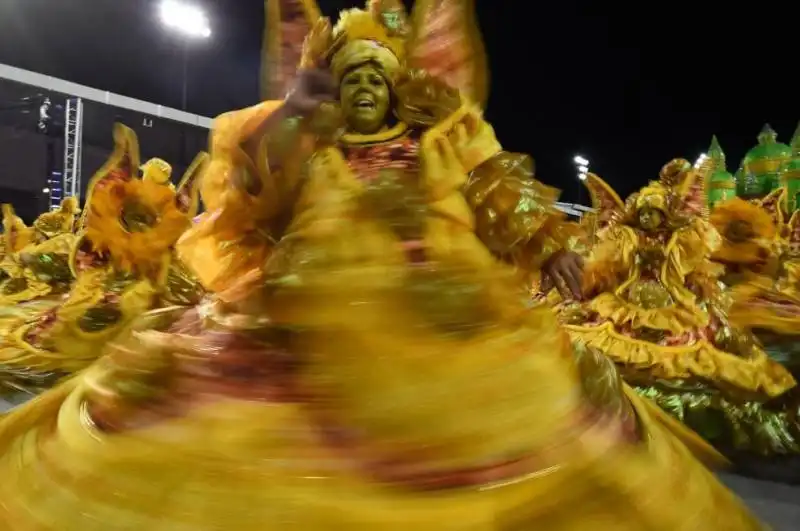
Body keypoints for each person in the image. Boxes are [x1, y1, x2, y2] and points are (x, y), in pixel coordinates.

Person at [0, 1, 763, 528]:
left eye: (378, 79)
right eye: (352, 78)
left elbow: (497, 186)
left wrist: (549, 241)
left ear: (398, 89)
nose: (366, 90)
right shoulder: (307, 137)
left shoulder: (438, 139)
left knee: (523, 403)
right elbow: (253, 189)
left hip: (428, 311)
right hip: (297, 315)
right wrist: (298, 111)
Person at [558, 164, 799, 467]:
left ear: (664, 215)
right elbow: (614, 267)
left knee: (684, 352)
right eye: (643, 213)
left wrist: (672, 262)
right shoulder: (627, 238)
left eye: (653, 213)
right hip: (627, 302)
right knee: (599, 338)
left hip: (669, 303)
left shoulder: (679, 240)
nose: (647, 218)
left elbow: (687, 269)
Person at [0, 125, 205, 394]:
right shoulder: (121, 209)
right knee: (75, 317)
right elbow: (91, 241)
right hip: (109, 277)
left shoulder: (167, 217)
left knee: (104, 316)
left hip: (137, 284)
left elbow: (173, 268)